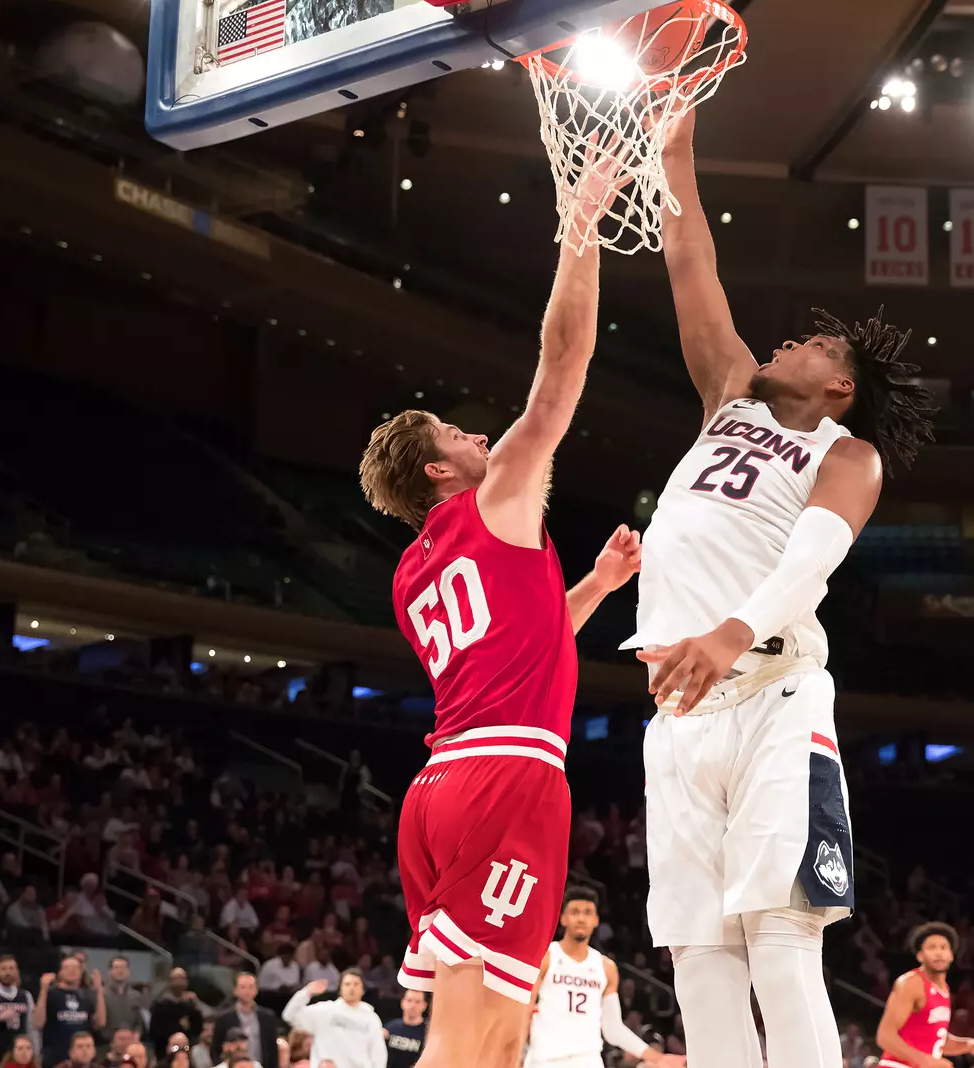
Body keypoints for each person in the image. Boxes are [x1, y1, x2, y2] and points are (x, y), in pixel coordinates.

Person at [631, 106, 935, 1068]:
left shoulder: (847, 452)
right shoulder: (728, 392)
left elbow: (811, 561)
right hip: (682, 705)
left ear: (838, 384)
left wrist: (728, 630)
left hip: (772, 689)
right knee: (696, 947)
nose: (784, 345)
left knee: (778, 930)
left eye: (808, 344)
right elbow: (690, 265)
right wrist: (674, 150)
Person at [359, 154, 637, 1068]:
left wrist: (591, 590)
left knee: (495, 1042)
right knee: (470, 1046)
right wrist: (583, 223)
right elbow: (563, 368)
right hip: (506, 782)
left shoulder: (412, 573)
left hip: (442, 790)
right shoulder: (495, 500)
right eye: (456, 435)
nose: (479, 435)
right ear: (440, 471)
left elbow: (516, 642)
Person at [523, 888, 683, 1068]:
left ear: (596, 920)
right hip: (544, 1060)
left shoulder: (605, 967)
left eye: (588, 912)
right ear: (563, 919)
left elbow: (612, 1028)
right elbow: (522, 1012)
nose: (581, 918)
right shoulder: (545, 957)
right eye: (574, 912)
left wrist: (657, 1058)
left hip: (588, 1061)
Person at [875, 923, 974, 1068]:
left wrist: (968, 1045)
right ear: (921, 956)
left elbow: (934, 1038)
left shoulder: (944, 989)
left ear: (951, 955)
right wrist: (926, 1061)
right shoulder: (911, 982)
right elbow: (885, 1036)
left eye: (943, 947)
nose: (938, 953)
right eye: (931, 947)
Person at [281, 973, 384, 1068]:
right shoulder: (325, 1011)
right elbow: (289, 1015)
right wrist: (307, 992)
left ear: (363, 990)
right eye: (347, 984)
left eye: (356, 984)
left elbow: (378, 1053)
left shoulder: (371, 1018)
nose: (351, 988)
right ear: (340, 989)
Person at [34, 960, 104, 1068]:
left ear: (81, 972)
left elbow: (100, 1023)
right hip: (55, 1059)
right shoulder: (50, 994)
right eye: (68, 967)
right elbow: (38, 1023)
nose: (72, 971)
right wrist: (43, 991)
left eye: (76, 968)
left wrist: (99, 991)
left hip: (82, 1059)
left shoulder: (86, 996)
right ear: (60, 972)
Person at [208, 975, 278, 1068]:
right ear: (235, 990)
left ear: (256, 990)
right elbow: (215, 1050)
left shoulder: (268, 1018)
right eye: (243, 987)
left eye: (251, 987)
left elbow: (273, 1051)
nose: (247, 991)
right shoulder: (224, 1018)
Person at [146, 971, 202, 1056]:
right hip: (163, 1053)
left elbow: (198, 1029)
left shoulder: (191, 1007)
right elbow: (154, 1032)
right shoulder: (160, 1006)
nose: (179, 982)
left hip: (187, 1052)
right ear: (170, 982)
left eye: (182, 978)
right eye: (176, 979)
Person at [381, 993, 426, 1068]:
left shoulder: (428, 1032)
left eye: (417, 1002)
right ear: (402, 1002)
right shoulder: (390, 1027)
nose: (413, 1005)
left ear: (424, 1005)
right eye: (409, 1000)